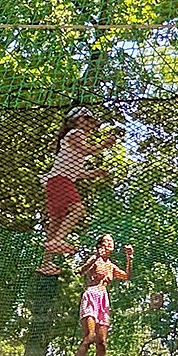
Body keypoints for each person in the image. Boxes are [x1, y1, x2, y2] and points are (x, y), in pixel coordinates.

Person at [41, 106, 116, 273]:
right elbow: (87, 150)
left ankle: (46, 263)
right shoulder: (76, 133)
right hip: (61, 181)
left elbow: (77, 172)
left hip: (56, 182)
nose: (91, 125)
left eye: (92, 122)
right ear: (77, 120)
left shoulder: (73, 143)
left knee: (56, 223)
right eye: (87, 120)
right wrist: (104, 144)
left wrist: (95, 173)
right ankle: (58, 240)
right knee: (78, 210)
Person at [67, 234, 133, 356]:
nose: (111, 243)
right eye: (108, 241)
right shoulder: (94, 259)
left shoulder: (111, 265)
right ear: (101, 245)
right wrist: (95, 257)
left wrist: (129, 258)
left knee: (102, 343)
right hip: (91, 295)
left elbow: (126, 276)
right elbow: (81, 271)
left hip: (103, 300)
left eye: (112, 241)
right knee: (90, 336)